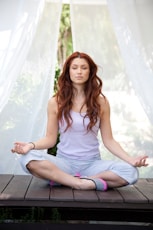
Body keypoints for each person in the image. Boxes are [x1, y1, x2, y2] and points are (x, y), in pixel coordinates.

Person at [11, 51, 148, 191]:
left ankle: (69, 180)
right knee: (26, 158)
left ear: (90, 72)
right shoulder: (55, 102)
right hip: (64, 164)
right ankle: (80, 183)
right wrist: (30, 146)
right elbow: (50, 139)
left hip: (92, 165)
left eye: (84, 68)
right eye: (74, 67)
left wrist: (130, 160)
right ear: (68, 72)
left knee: (130, 172)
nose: (79, 71)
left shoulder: (101, 102)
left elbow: (109, 140)